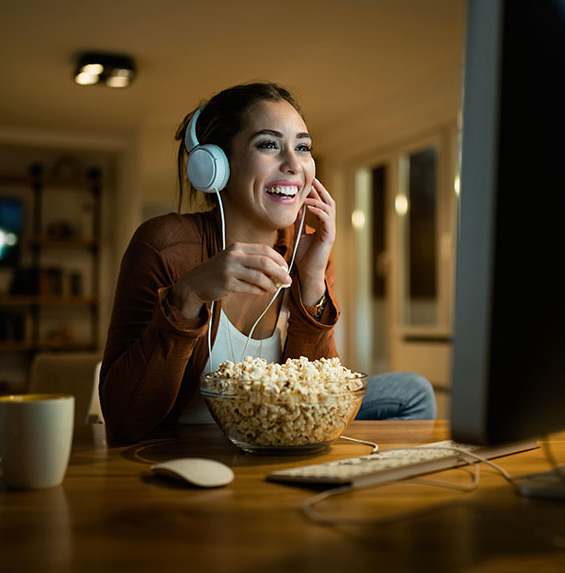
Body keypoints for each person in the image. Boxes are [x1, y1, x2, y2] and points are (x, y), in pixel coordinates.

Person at [100, 82, 435, 443]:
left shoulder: (306, 250)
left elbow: (315, 396)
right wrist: (188, 296)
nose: (294, 165)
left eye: (303, 147)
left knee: (412, 391)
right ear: (216, 165)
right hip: (195, 443)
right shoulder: (165, 245)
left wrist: (312, 284)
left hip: (281, 433)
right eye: (268, 145)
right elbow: (124, 419)